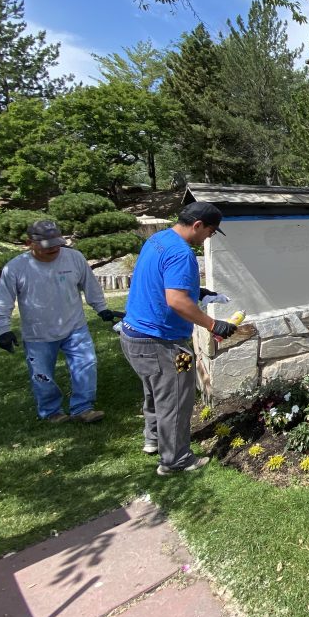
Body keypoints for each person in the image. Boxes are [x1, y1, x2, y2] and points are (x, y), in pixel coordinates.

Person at [119, 202, 238, 476]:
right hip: (166, 344)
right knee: (177, 397)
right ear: (198, 225)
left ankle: (154, 440)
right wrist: (213, 324)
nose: (209, 237)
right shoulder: (182, 254)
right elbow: (175, 300)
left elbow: (161, 283)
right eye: (210, 231)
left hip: (134, 337)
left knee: (154, 391)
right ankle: (175, 460)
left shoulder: (159, 239)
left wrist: (198, 291)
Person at [0, 220, 122, 423]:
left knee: (86, 365)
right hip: (38, 333)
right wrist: (3, 330)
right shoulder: (16, 268)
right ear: (29, 243)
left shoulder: (74, 258)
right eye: (47, 245)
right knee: (42, 375)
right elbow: (3, 300)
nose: (54, 249)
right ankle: (51, 411)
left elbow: (90, 285)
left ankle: (83, 408)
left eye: (57, 243)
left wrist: (101, 308)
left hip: (75, 326)